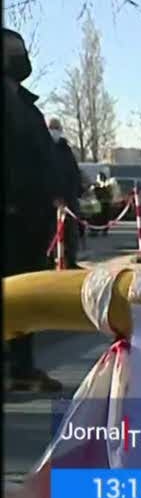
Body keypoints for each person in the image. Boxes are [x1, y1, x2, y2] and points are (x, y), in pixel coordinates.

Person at [3, 27, 63, 392]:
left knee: (24, 292)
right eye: (15, 51)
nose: (23, 58)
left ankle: (21, 368)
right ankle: (16, 368)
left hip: (31, 216)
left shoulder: (24, 103)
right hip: (12, 214)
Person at [48, 118, 85, 269]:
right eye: (52, 127)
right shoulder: (44, 148)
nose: (55, 131)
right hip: (52, 200)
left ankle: (71, 261)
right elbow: (43, 174)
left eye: (57, 128)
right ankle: (51, 262)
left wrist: (79, 190)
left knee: (71, 232)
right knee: (52, 232)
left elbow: (75, 172)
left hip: (70, 198)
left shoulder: (66, 149)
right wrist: (52, 196)